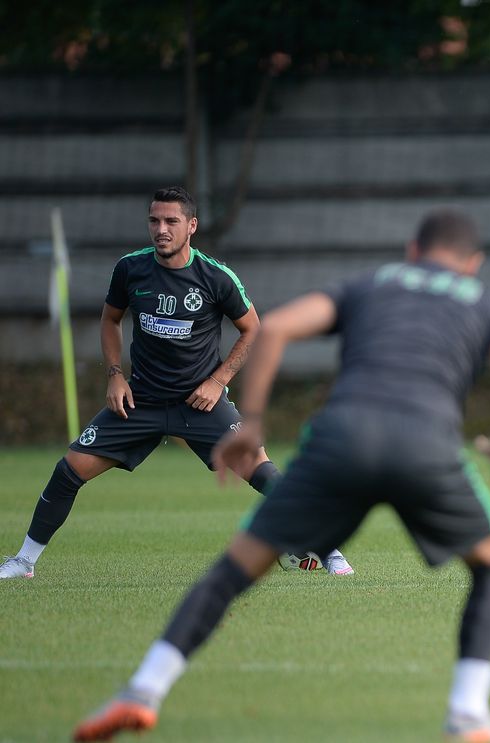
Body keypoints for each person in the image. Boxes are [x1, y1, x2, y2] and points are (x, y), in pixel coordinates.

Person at [72, 209, 490, 742]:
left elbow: (274, 327)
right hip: (427, 447)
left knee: (235, 569)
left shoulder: (372, 283)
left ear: (412, 250)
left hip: (340, 441)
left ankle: (144, 690)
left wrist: (251, 421)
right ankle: (467, 713)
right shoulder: (486, 302)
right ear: (473, 264)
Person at [0, 187, 353, 579]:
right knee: (69, 470)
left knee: (263, 471)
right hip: (141, 402)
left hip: (200, 404)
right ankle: (23, 562)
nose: (161, 229)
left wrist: (219, 381)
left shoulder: (216, 277)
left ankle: (329, 548)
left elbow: (254, 330)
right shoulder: (130, 269)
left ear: (192, 226)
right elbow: (110, 319)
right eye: (154, 220)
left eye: (171, 221)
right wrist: (115, 376)